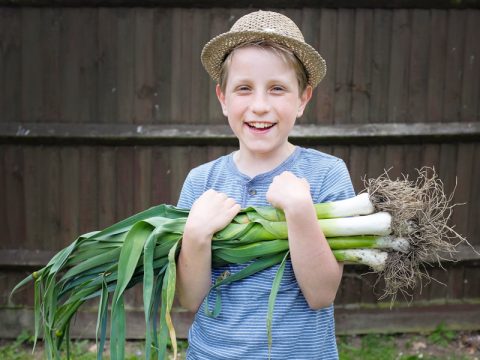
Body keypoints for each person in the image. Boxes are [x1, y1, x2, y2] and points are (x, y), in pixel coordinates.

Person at [175, 10, 355, 359]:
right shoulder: (202, 182)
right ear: (223, 98)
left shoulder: (326, 174)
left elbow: (321, 294)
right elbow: (189, 298)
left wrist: (301, 212)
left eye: (277, 89)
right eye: (244, 89)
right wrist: (196, 235)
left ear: (302, 99)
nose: (259, 106)